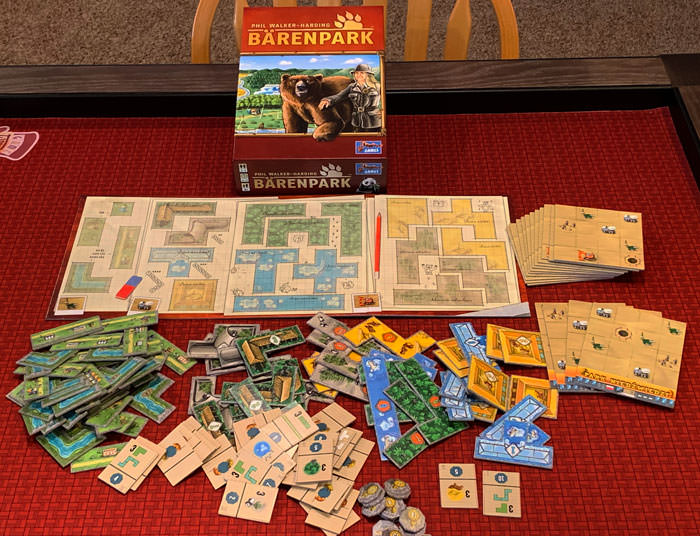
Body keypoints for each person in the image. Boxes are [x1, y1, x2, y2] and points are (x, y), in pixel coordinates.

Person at [319, 63, 381, 132]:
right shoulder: (352, 87)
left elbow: (385, 99)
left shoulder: (377, 86)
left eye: (362, 73)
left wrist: (383, 110)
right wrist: (328, 100)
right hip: (357, 121)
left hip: (373, 120)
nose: (359, 75)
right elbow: (339, 96)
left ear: (368, 74)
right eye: (356, 73)